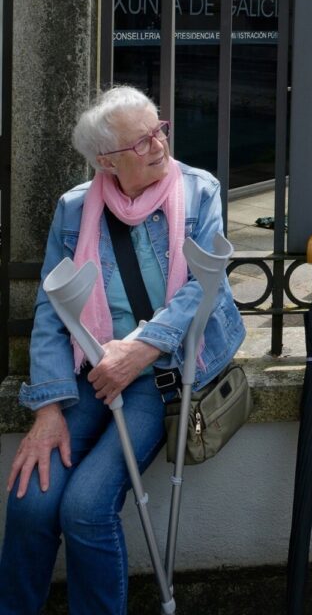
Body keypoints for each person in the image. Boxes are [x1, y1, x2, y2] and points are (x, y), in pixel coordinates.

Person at [0, 86, 246, 615]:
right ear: (106, 159)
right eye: (141, 141)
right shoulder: (73, 210)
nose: (158, 145)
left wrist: (143, 346)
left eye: (159, 130)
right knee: (31, 501)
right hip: (90, 369)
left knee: (86, 507)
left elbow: (205, 287)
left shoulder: (199, 191)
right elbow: (52, 308)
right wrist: (47, 409)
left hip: (162, 372)